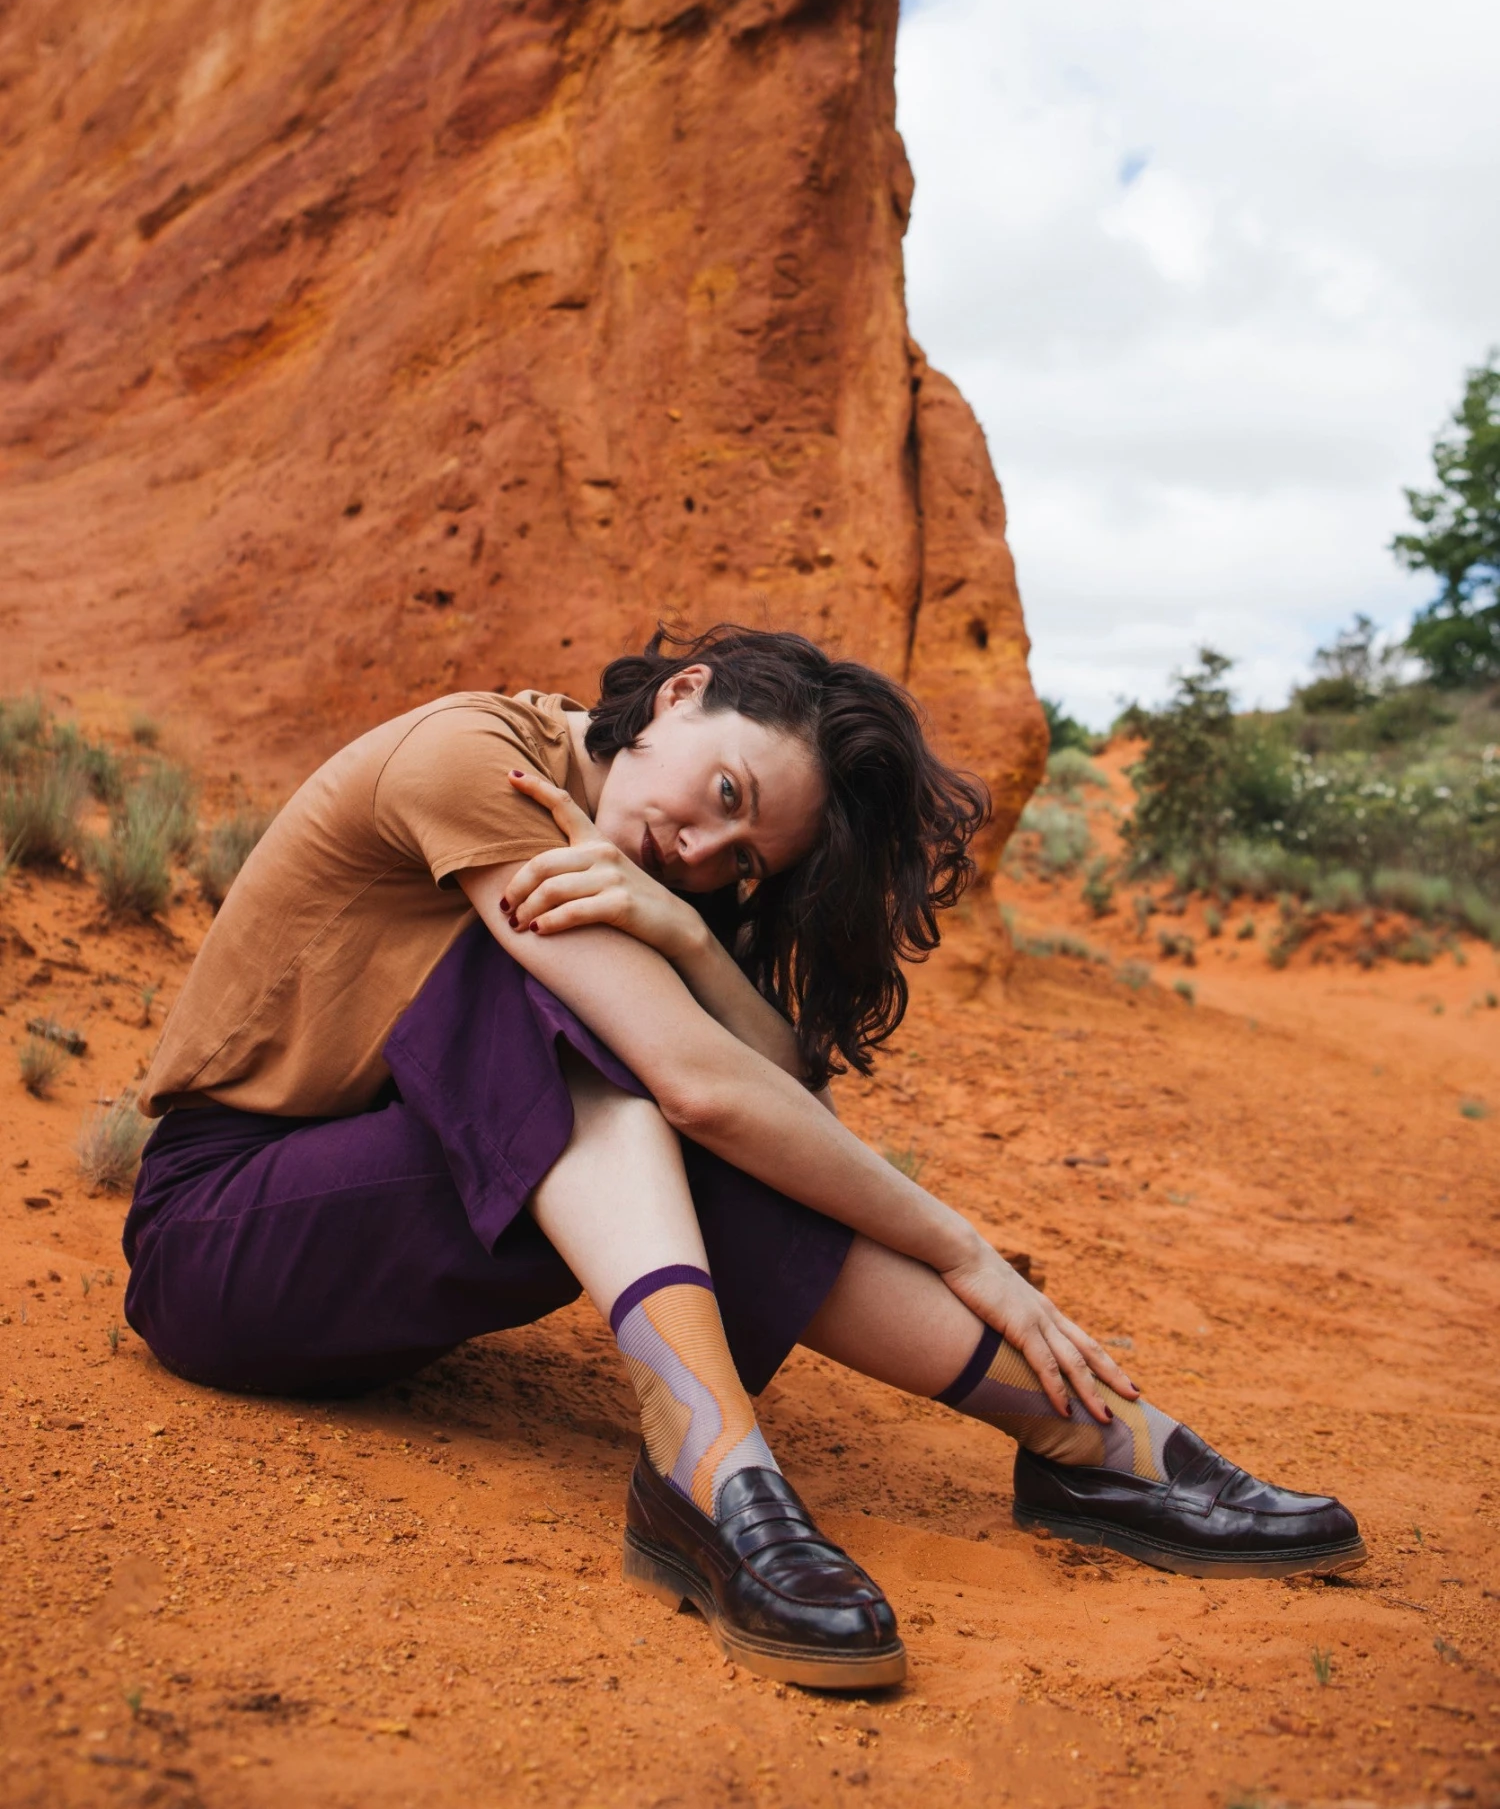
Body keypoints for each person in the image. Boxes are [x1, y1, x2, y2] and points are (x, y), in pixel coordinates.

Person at [124, 625, 1364, 1690]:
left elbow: (780, 1094)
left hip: (378, 1249)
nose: (701, 855)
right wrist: (966, 1250)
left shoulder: (657, 865)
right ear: (679, 695)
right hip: (221, 1239)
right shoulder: (476, 759)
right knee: (574, 1009)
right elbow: (707, 1089)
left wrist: (691, 942)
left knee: (666, 1056)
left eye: (743, 862)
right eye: (724, 798)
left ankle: (1084, 1440)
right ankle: (716, 1457)